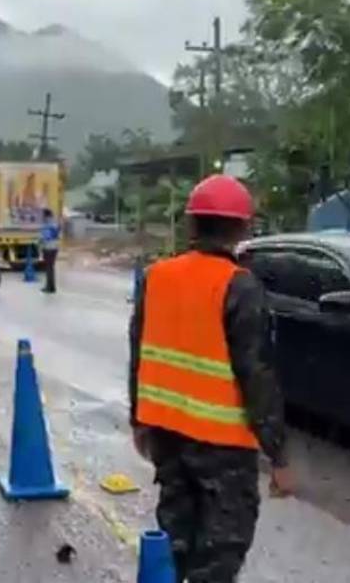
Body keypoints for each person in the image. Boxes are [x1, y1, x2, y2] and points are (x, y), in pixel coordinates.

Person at [129, 174, 293, 583]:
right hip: (224, 448)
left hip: (167, 432)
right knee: (220, 553)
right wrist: (278, 455)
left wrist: (138, 419)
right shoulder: (240, 286)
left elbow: (138, 352)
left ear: (191, 224)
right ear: (242, 228)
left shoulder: (156, 277)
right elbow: (257, 374)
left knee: (176, 539)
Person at [39, 208, 61, 293]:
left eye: (43, 215)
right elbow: (57, 233)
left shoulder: (47, 224)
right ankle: (52, 286)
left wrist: (39, 241)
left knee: (48, 268)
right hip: (55, 247)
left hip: (48, 248)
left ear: (46, 215)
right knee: (51, 267)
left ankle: (49, 287)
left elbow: (46, 236)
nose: (42, 217)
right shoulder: (55, 223)